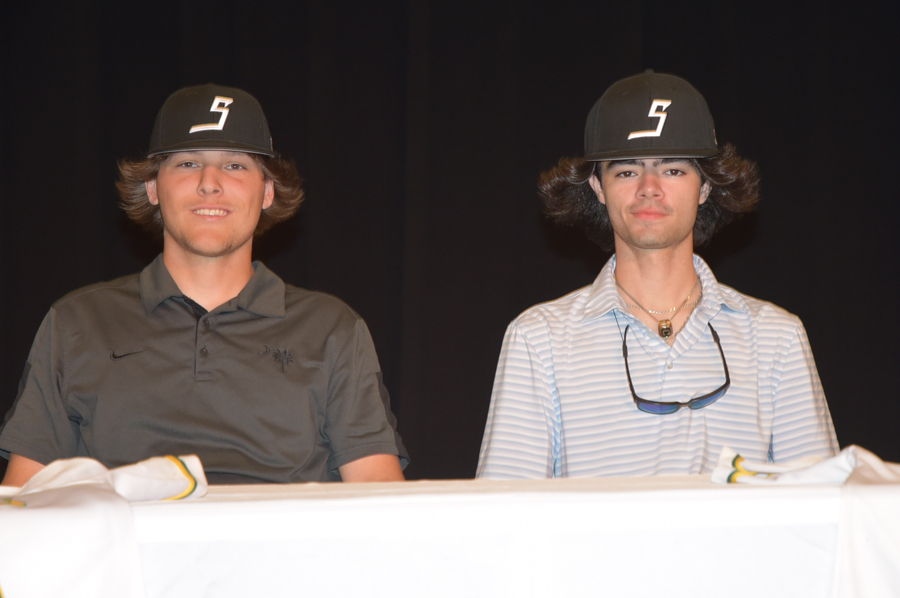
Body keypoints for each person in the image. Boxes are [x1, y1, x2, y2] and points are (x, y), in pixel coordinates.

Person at [1, 83, 407, 485]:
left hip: (280, 550)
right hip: (129, 548)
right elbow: (22, 501)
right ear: (152, 187)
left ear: (266, 192)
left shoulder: (332, 328)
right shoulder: (76, 323)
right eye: (187, 163)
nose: (209, 182)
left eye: (234, 165)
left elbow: (380, 498)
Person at [477, 70, 837, 479]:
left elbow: (823, 507)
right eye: (627, 171)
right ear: (598, 187)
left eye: (673, 170)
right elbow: (502, 518)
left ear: (705, 188)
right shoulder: (538, 339)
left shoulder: (776, 338)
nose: (649, 187)